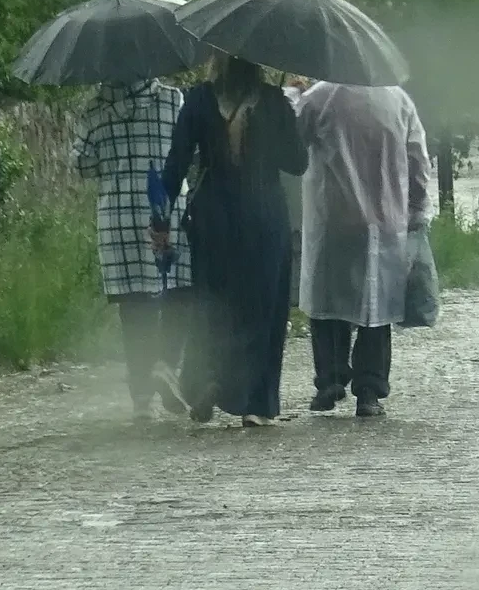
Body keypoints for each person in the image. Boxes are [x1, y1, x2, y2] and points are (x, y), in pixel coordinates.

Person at [153, 54, 308, 427]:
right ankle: (256, 402)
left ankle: (208, 378)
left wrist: (160, 221)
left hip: (212, 218)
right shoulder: (273, 102)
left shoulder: (199, 100)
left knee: (213, 304)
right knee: (263, 307)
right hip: (264, 215)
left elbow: (175, 163)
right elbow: (298, 163)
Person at [296, 82, 435, 418]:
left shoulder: (318, 97)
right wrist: (417, 209)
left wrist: (291, 97)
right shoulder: (397, 99)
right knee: (377, 307)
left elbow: (290, 148)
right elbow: (418, 158)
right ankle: (369, 390)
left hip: (332, 217)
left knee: (327, 300)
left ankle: (330, 378)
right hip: (385, 220)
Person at [73, 79, 192, 419]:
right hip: (167, 210)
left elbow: (82, 165)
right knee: (180, 291)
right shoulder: (173, 99)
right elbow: (189, 151)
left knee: (134, 304)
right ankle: (167, 364)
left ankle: (141, 397)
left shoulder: (94, 108)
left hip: (118, 215)